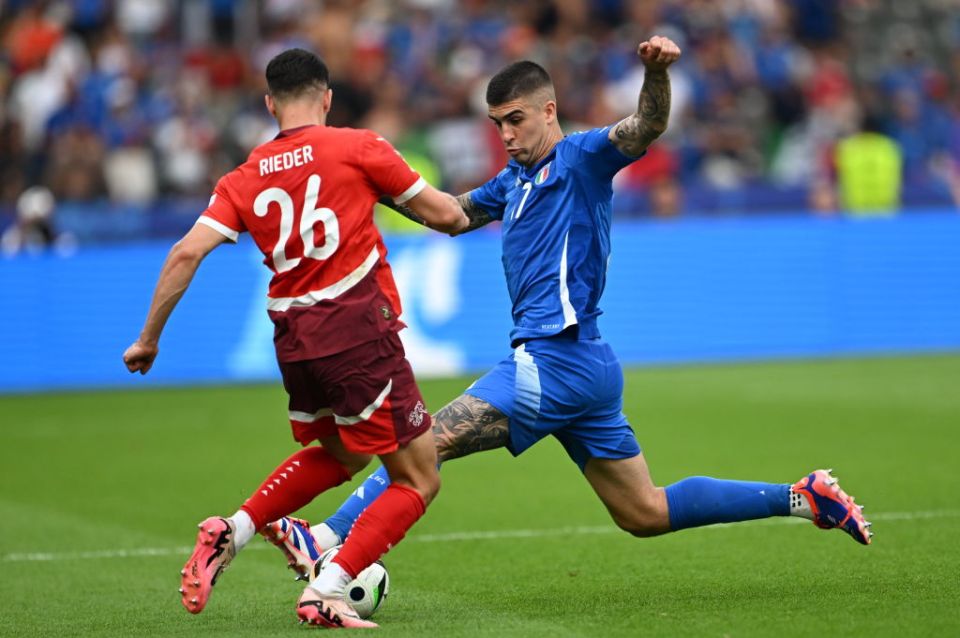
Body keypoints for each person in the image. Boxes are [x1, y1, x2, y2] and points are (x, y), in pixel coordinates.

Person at [264, 35, 873, 580]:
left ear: (548, 112)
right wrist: (370, 182)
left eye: (516, 120)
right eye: (498, 123)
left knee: (422, 441)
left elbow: (646, 125)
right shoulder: (511, 181)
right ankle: (803, 496)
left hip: (555, 358)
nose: (505, 134)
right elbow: (449, 214)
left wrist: (656, 72)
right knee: (644, 511)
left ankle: (322, 535)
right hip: (584, 367)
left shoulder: (582, 157)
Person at [122, 48, 468, 629]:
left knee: (346, 452)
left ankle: (233, 530)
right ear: (327, 97)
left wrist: (148, 339)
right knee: (419, 476)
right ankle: (328, 588)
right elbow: (449, 217)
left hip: (295, 341)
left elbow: (186, 253)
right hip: (358, 332)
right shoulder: (359, 147)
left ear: (269, 103)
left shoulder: (244, 175)